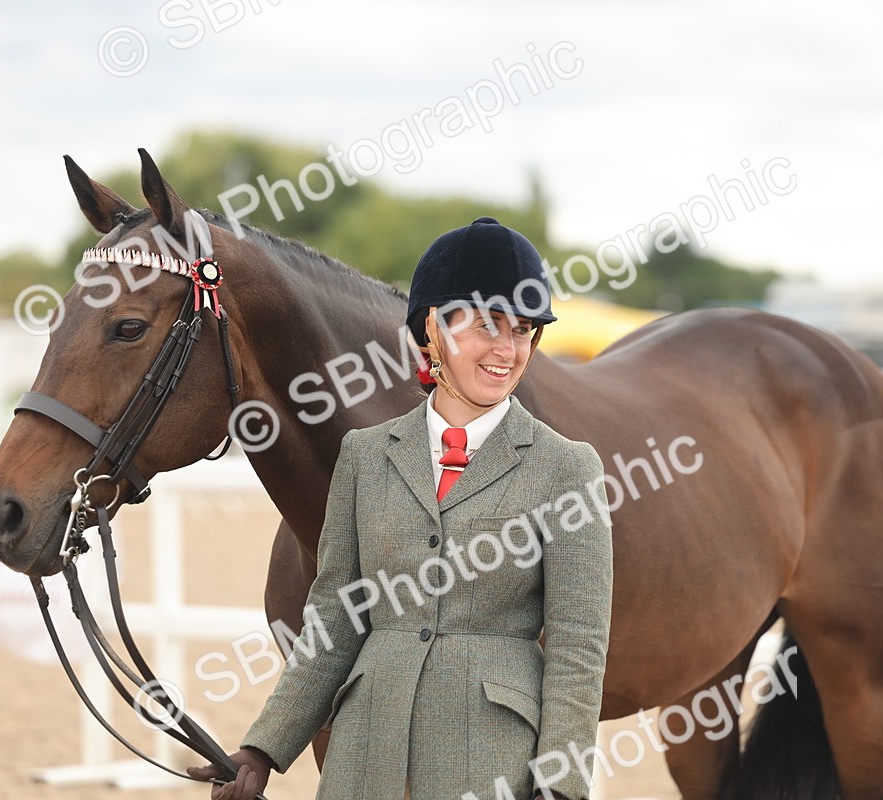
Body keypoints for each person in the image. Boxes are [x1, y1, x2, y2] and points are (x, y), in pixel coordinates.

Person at [190, 217, 614, 800]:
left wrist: (561, 785)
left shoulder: (567, 468)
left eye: (522, 331)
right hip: (364, 755)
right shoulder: (364, 458)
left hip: (493, 759)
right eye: (487, 325)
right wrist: (263, 750)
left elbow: (577, 648)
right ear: (432, 328)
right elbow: (335, 621)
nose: (506, 350)